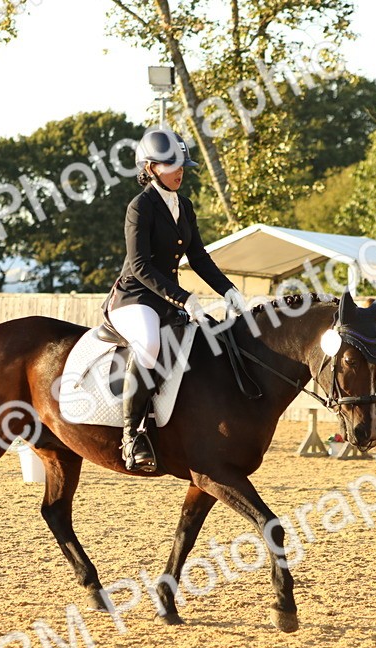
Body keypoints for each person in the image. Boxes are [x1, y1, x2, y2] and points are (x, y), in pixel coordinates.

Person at [103, 129, 246, 472]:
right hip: (134, 297)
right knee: (151, 343)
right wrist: (184, 298)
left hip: (165, 300)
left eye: (182, 165)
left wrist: (228, 290)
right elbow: (140, 266)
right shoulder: (140, 207)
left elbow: (199, 258)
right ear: (150, 167)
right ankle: (131, 436)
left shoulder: (184, 205)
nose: (179, 171)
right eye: (171, 165)